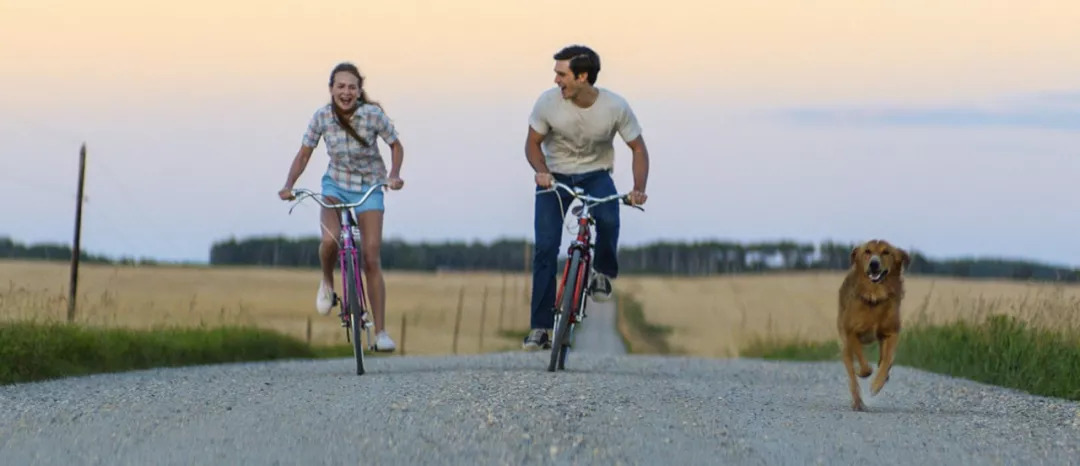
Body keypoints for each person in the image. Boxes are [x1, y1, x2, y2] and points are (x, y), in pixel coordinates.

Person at [521, 45, 651, 350]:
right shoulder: (547, 103)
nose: (556, 80)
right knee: (545, 247)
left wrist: (638, 188)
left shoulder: (615, 107)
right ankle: (540, 328)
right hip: (555, 176)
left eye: (561, 74)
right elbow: (532, 144)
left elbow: (639, 149)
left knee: (608, 216)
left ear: (583, 76)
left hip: (596, 174)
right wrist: (541, 172)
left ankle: (603, 272)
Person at [278, 62, 404, 352]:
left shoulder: (373, 115)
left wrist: (394, 174)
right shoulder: (321, 117)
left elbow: (396, 145)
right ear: (331, 89)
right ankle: (326, 281)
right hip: (335, 186)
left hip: (369, 185)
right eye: (340, 86)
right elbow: (304, 154)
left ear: (360, 91)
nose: (346, 92)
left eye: (352, 87)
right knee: (329, 239)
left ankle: (381, 332)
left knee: (371, 255)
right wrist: (289, 184)